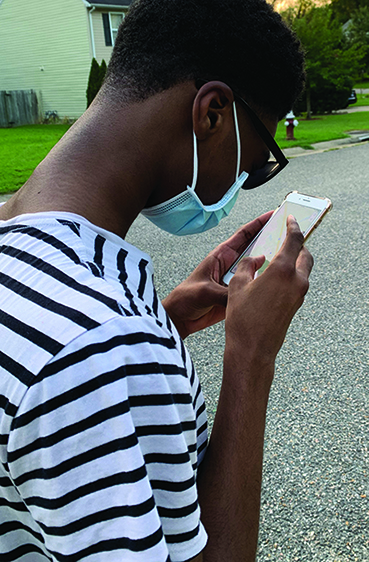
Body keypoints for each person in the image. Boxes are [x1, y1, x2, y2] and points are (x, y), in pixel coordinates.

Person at [0, 0, 313, 560]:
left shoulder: (40, 273)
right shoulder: (102, 342)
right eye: (260, 159)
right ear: (211, 112)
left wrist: (164, 322)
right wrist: (250, 356)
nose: (248, 178)